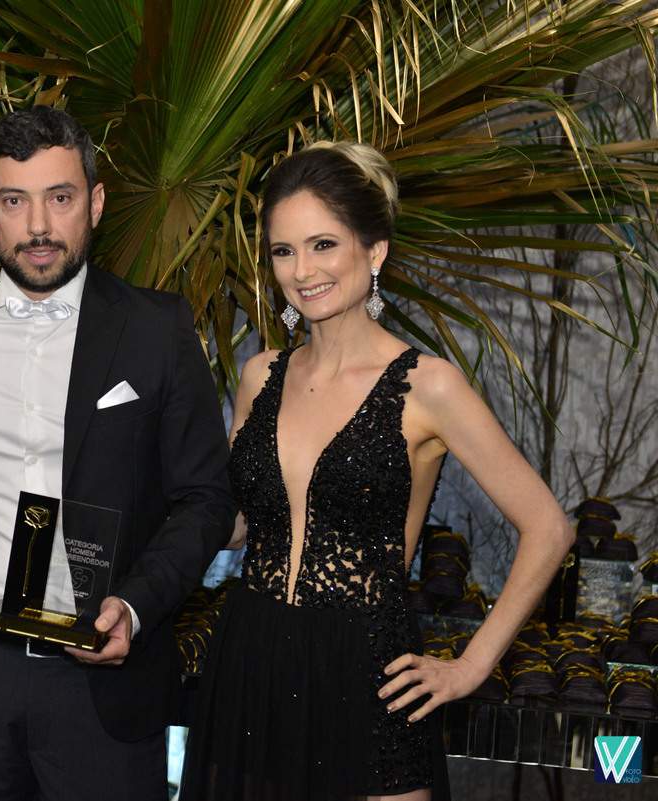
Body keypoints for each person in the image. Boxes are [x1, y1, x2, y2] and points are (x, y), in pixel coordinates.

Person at [179, 141, 575, 800]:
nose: (303, 270)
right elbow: (237, 525)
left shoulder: (430, 386)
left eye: (324, 245)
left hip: (369, 671)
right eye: (284, 251)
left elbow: (549, 527)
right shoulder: (260, 375)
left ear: (375, 250)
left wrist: (471, 665)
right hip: (251, 657)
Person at [0, 106, 236, 800]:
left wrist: (134, 605)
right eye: (14, 201)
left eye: (60, 198)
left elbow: (206, 499)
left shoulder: (156, 330)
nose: (38, 226)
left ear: (95, 204)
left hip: (101, 673)